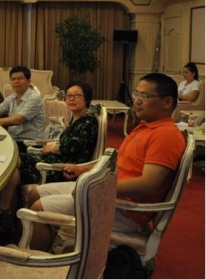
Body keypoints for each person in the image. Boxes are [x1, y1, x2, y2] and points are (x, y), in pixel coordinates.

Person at [24, 73, 186, 250]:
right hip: (106, 191)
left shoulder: (165, 135)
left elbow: (149, 184)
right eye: (136, 94)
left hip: (125, 209)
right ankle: (47, 245)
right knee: (34, 193)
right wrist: (83, 169)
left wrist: (95, 188)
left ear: (167, 102)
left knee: (38, 208)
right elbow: (117, 161)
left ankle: (40, 260)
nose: (137, 101)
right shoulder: (145, 127)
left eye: (144, 96)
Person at [0, 81, 98, 233]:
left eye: (77, 96)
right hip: (54, 160)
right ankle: (7, 214)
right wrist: (53, 145)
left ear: (86, 99)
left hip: (64, 169)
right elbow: (66, 143)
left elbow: (72, 147)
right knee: (13, 169)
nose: (72, 99)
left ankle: (4, 212)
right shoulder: (76, 118)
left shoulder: (88, 120)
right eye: (69, 96)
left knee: (13, 162)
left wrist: (53, 148)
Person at [0, 66, 46, 141]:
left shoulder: (34, 98)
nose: (16, 82)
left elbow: (18, 120)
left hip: (29, 142)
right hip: (13, 139)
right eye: (13, 79)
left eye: (19, 78)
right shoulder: (12, 97)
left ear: (28, 81)